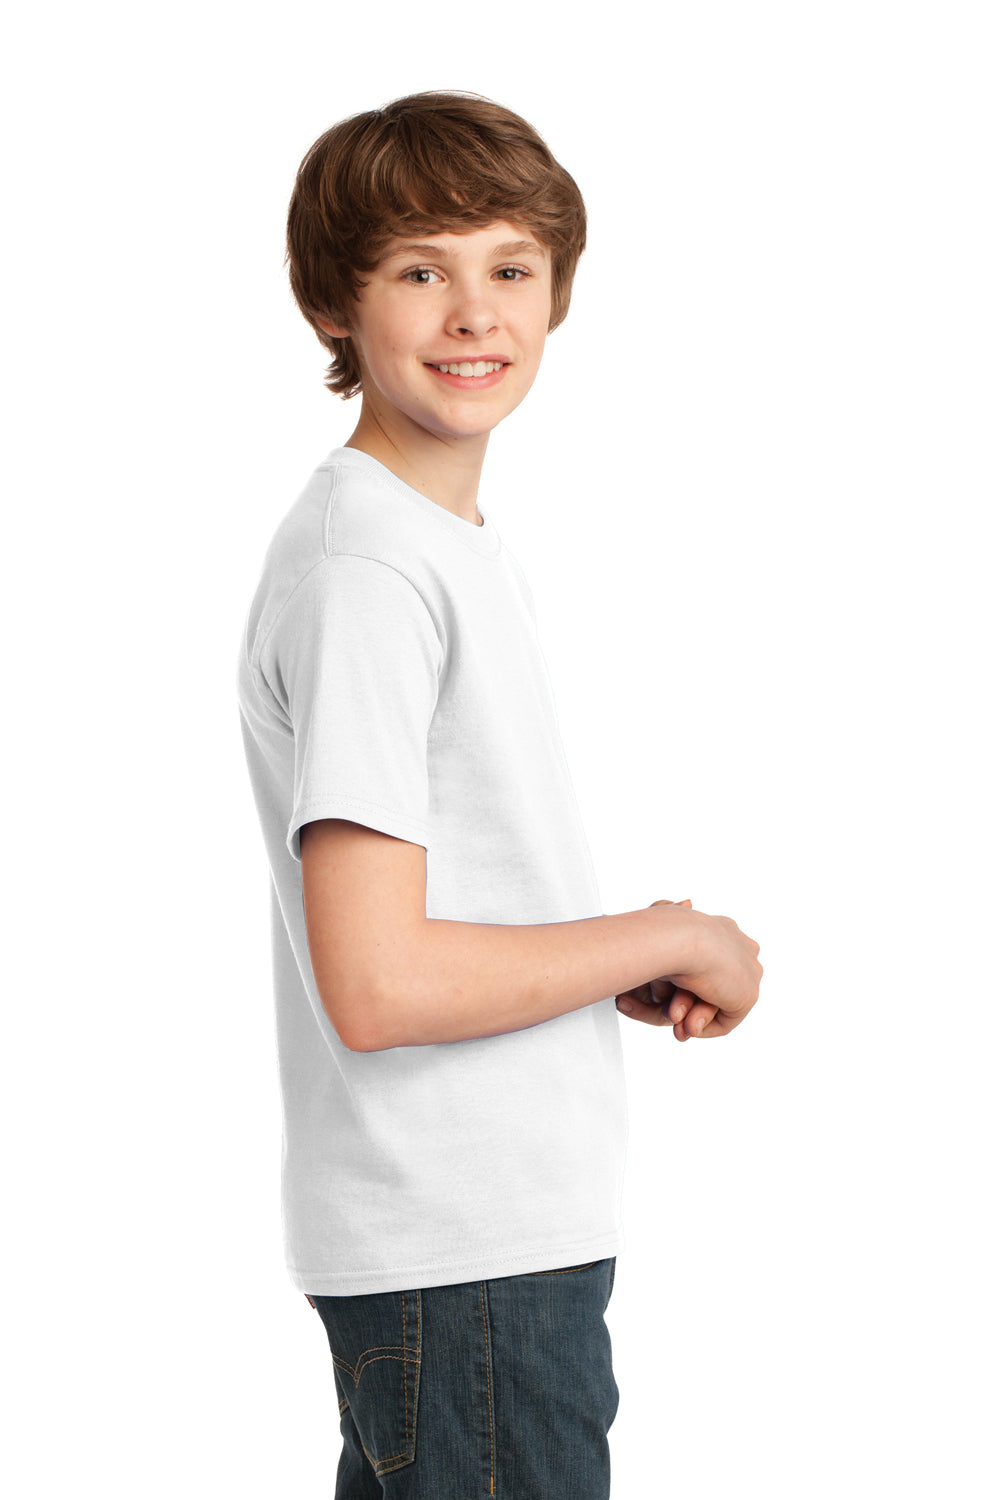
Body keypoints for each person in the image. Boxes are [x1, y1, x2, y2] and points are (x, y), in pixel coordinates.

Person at [236, 90, 762, 1499]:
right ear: (332, 302)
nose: (475, 312)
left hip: (477, 1259)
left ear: (556, 292)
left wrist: (597, 963)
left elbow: (431, 919)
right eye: (421, 270)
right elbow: (379, 982)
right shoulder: (372, 571)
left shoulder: (433, 546)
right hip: (468, 1261)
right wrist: (667, 935)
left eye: (510, 266)